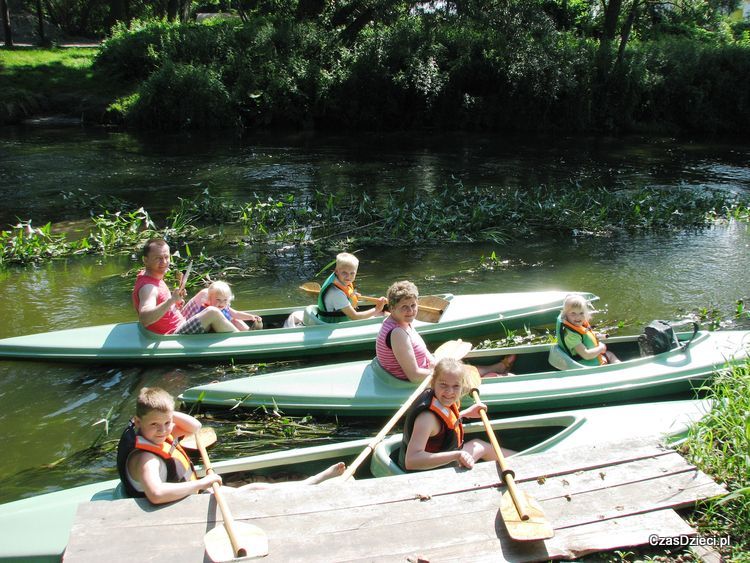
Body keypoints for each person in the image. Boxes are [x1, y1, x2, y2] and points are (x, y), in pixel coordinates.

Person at [116, 387, 345, 505]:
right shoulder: (148, 460)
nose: (164, 430)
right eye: (155, 424)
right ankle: (311, 484)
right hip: (173, 506)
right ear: (137, 421)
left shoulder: (150, 432)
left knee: (251, 486)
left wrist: (166, 413)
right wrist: (205, 482)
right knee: (252, 491)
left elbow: (194, 427)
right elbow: (156, 494)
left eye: (168, 423)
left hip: (188, 492)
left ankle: (308, 484)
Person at [375, 280, 514, 383]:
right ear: (392, 308)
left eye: (413, 305)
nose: (410, 311)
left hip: (427, 367)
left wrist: (436, 364)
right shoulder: (397, 333)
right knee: (460, 372)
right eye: (404, 307)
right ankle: (495, 375)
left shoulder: (400, 320)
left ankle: (497, 367)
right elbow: (414, 376)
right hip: (411, 382)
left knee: (460, 366)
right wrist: (441, 372)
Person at [400, 358, 513, 471]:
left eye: (456, 386)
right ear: (433, 383)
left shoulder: (437, 400)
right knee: (480, 447)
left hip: (445, 460)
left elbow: (443, 423)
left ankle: (519, 462)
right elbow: (411, 461)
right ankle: (521, 464)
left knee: (479, 445)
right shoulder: (426, 419)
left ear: (462, 386)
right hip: (432, 472)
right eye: (443, 385)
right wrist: (456, 455)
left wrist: (463, 414)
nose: (449, 392)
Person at [132, 238, 238, 335]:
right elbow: (144, 319)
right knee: (212, 312)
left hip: (181, 321)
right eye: (158, 258)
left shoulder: (151, 275)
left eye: (166, 257)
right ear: (145, 260)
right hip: (174, 333)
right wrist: (171, 301)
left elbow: (161, 304)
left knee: (206, 293)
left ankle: (229, 319)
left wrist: (175, 303)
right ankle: (240, 338)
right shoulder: (148, 288)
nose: (164, 262)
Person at [316, 252, 386, 322]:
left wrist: (353, 296)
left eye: (352, 273)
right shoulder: (336, 293)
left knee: (385, 314)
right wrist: (377, 309)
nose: (348, 276)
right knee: (384, 315)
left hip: (342, 318)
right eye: (344, 273)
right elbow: (355, 317)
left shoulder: (340, 281)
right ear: (336, 271)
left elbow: (346, 293)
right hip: (333, 325)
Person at [556, 293, 620, 365]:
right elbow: (586, 355)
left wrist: (595, 334)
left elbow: (584, 334)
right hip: (585, 364)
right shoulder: (571, 336)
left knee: (609, 354)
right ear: (565, 314)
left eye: (581, 313)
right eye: (573, 313)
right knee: (610, 355)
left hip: (588, 359)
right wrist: (601, 348)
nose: (578, 317)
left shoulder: (575, 325)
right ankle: (620, 370)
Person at [197, 280, 263, 331]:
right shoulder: (207, 310)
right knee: (232, 321)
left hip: (227, 329)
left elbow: (236, 313)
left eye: (225, 300)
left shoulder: (225, 307)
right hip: (215, 333)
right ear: (209, 299)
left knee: (235, 320)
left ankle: (249, 332)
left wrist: (251, 317)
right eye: (218, 299)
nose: (222, 303)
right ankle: (240, 336)